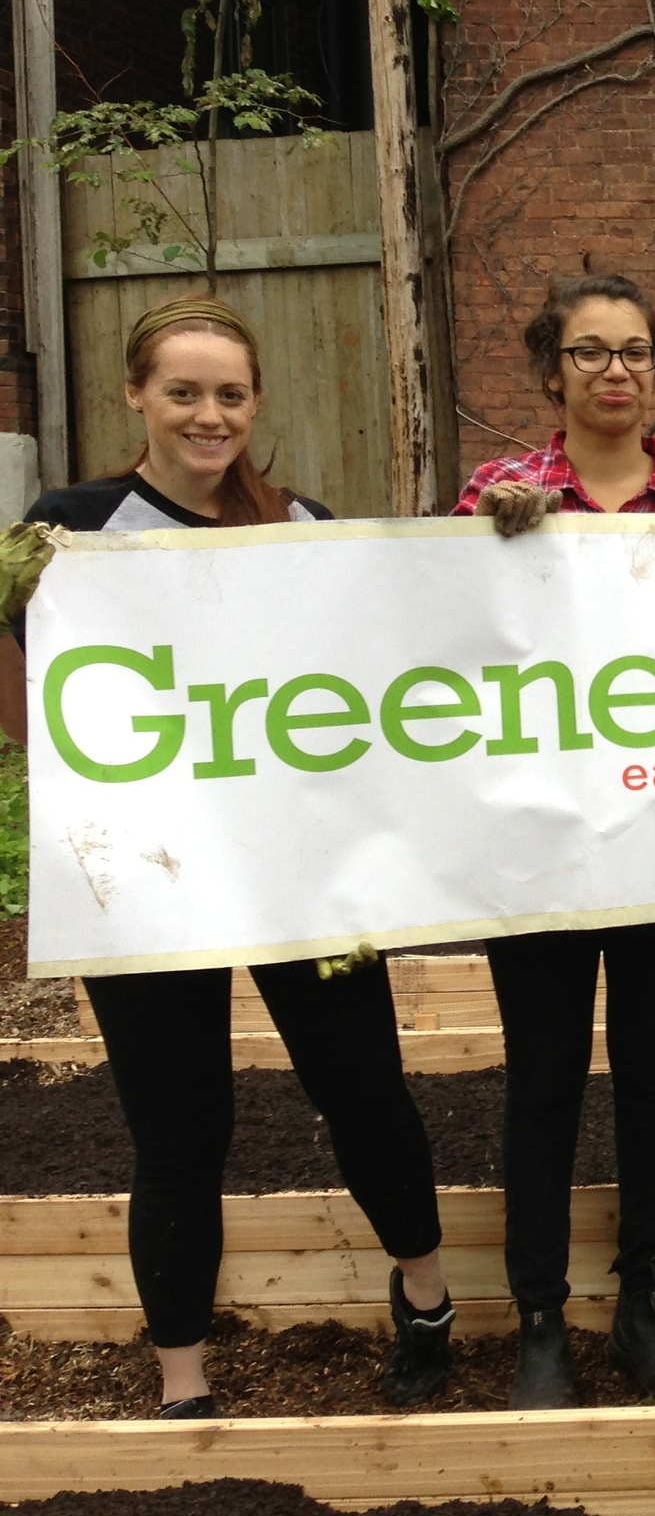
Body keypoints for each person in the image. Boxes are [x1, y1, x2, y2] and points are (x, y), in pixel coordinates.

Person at [16, 296, 454, 1415]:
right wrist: (68, 766)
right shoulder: (69, 530)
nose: (209, 416)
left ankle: (428, 1298)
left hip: (302, 872)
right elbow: (29, 691)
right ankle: (183, 1386)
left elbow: (385, 666)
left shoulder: (299, 524)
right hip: (150, 883)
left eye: (230, 394)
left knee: (364, 1092)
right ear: (136, 397)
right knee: (177, 1128)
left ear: (253, 403)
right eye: (183, 392)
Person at [455, 273, 655, 1408]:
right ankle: (538, 1317)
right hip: (543, 844)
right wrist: (490, 545)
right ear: (550, 372)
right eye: (589, 353)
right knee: (544, 1077)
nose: (614, 372)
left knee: (653, 1078)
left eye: (633, 352)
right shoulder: (496, 492)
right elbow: (449, 636)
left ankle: (642, 1293)